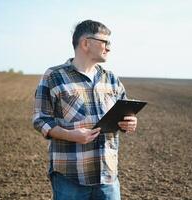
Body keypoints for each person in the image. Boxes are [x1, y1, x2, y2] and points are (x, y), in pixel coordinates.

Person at [32, 20, 137, 200]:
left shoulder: (111, 79)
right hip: (70, 177)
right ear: (86, 43)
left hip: (108, 177)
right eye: (105, 42)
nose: (109, 48)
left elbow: (126, 113)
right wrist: (71, 135)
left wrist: (130, 122)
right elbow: (41, 119)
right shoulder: (54, 76)